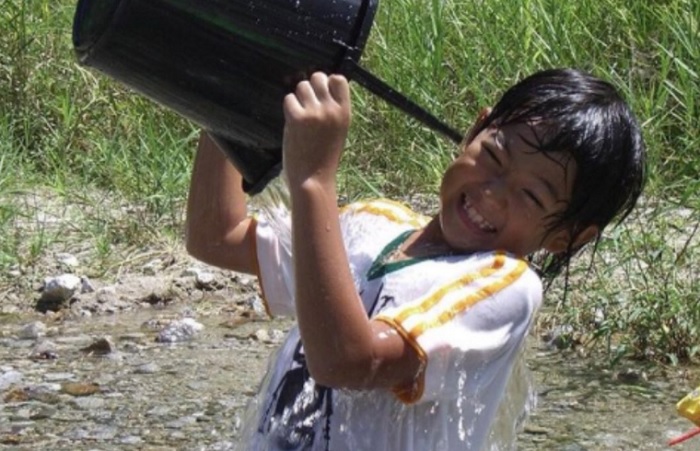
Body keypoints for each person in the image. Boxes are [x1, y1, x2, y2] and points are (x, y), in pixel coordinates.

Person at [185, 68, 646, 450]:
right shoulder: (372, 224)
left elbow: (349, 362)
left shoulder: (504, 286)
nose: (492, 193)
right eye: (493, 155)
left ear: (566, 236)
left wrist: (314, 181)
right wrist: (228, 102)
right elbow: (217, 237)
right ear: (473, 131)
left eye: (530, 194)